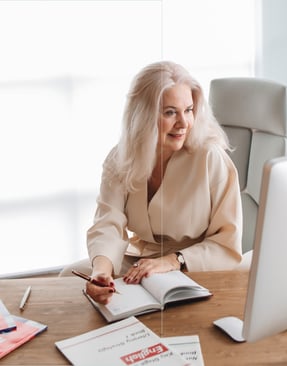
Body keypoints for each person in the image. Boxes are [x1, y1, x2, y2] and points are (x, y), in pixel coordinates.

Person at [60, 61, 243, 304]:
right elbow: (108, 222)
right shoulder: (120, 158)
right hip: (141, 261)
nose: (183, 123)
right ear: (144, 115)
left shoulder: (210, 156)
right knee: (67, 279)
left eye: (188, 110)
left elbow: (226, 242)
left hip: (195, 264)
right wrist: (101, 272)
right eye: (170, 112)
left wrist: (173, 261)